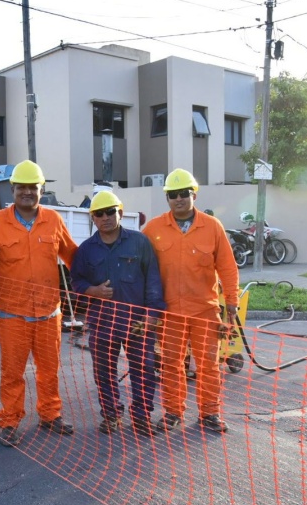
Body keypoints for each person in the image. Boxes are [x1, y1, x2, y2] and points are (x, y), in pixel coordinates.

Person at [0, 160, 79, 447]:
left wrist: (94, 284)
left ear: (41, 189)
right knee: (12, 372)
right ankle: (9, 420)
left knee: (49, 370)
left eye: (32, 187)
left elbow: (73, 257)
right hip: (12, 315)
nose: (27, 192)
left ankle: (50, 414)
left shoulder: (54, 220)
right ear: (12, 189)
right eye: (21, 187)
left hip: (48, 313)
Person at [142, 168, 239, 434]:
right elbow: (141, 267)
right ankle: (173, 412)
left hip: (204, 311)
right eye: (173, 195)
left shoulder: (212, 227)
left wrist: (231, 300)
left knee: (208, 364)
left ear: (193, 194)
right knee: (171, 365)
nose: (179, 199)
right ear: (167, 198)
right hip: (169, 312)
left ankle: (210, 413)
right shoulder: (153, 228)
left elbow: (228, 267)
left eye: (184, 193)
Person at [70, 191, 166, 436]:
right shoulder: (86, 250)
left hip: (137, 322)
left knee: (143, 370)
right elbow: (76, 282)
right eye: (99, 213)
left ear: (120, 212)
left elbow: (153, 279)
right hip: (103, 321)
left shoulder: (139, 242)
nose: (105, 217)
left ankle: (142, 417)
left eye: (110, 211)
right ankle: (111, 415)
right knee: (104, 371)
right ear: (93, 218)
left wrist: (153, 315)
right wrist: (93, 290)